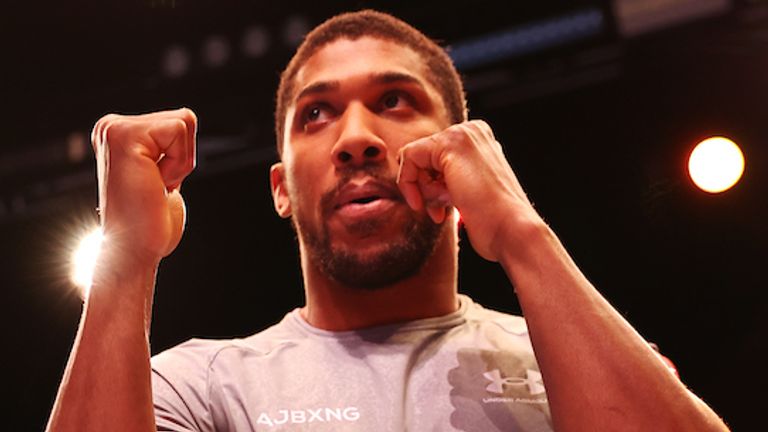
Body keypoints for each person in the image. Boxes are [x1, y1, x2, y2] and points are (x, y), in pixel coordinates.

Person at [46, 10, 729, 432]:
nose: (356, 138)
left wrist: (523, 233)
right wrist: (126, 255)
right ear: (281, 190)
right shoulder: (201, 386)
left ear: (466, 154)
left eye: (395, 100)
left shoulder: (579, 357)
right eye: (316, 113)